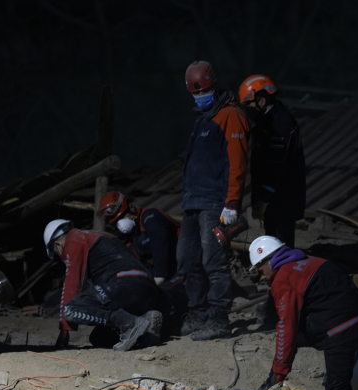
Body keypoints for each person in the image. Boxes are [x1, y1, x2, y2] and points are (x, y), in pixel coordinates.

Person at [235, 236, 358, 390]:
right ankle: (269, 388)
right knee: (300, 338)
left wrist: (280, 369)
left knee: (336, 387)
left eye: (261, 271)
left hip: (341, 328)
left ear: (268, 261)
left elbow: (286, 327)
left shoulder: (283, 278)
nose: (263, 277)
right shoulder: (308, 260)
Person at [177, 60, 250, 341]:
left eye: (202, 92)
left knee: (214, 262)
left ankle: (219, 318)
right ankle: (199, 313)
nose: (199, 97)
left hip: (214, 203)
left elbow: (237, 161)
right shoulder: (203, 119)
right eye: (195, 94)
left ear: (213, 87)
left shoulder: (231, 116)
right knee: (187, 260)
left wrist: (231, 203)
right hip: (193, 203)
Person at [44, 219, 170, 351]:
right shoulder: (96, 236)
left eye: (57, 253)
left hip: (124, 284)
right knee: (99, 338)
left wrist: (64, 330)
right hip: (146, 289)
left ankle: (130, 324)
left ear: (58, 245)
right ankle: (146, 322)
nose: (61, 256)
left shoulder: (74, 239)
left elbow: (72, 285)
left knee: (70, 309)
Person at [238, 75, 306, 248]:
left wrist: (264, 199)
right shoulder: (266, 121)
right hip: (273, 197)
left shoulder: (280, 124)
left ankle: (285, 272)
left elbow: (277, 166)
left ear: (261, 100)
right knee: (273, 240)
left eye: (248, 105)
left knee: (281, 244)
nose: (246, 110)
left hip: (282, 198)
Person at [97, 191, 180, 285]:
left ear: (130, 208)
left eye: (123, 216)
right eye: (117, 222)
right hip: (160, 275)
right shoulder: (129, 240)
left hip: (179, 267)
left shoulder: (150, 217)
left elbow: (160, 241)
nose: (121, 224)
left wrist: (160, 276)